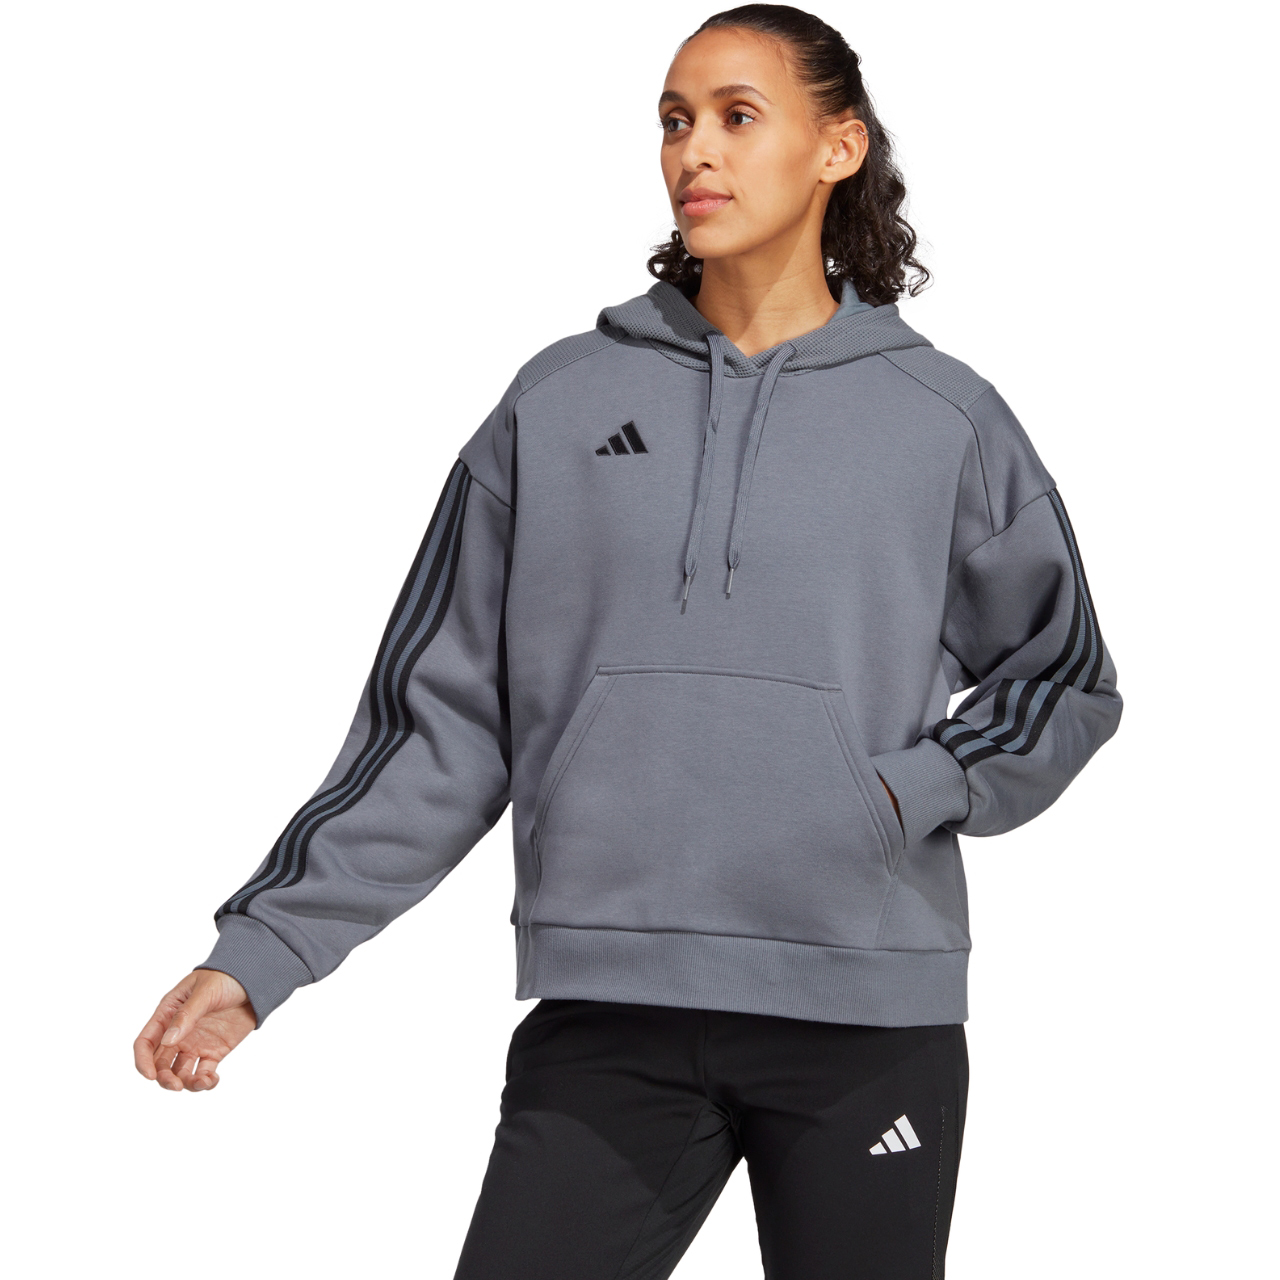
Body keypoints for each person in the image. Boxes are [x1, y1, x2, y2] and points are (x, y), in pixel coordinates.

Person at [134, 5, 1123, 1276]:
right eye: (672, 120)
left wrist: (903, 790)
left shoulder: (944, 419)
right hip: (608, 1008)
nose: (692, 150)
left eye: (735, 116)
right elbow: (438, 723)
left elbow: (1062, 676)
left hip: (864, 1008)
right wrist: (262, 951)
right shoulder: (557, 402)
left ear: (836, 147)